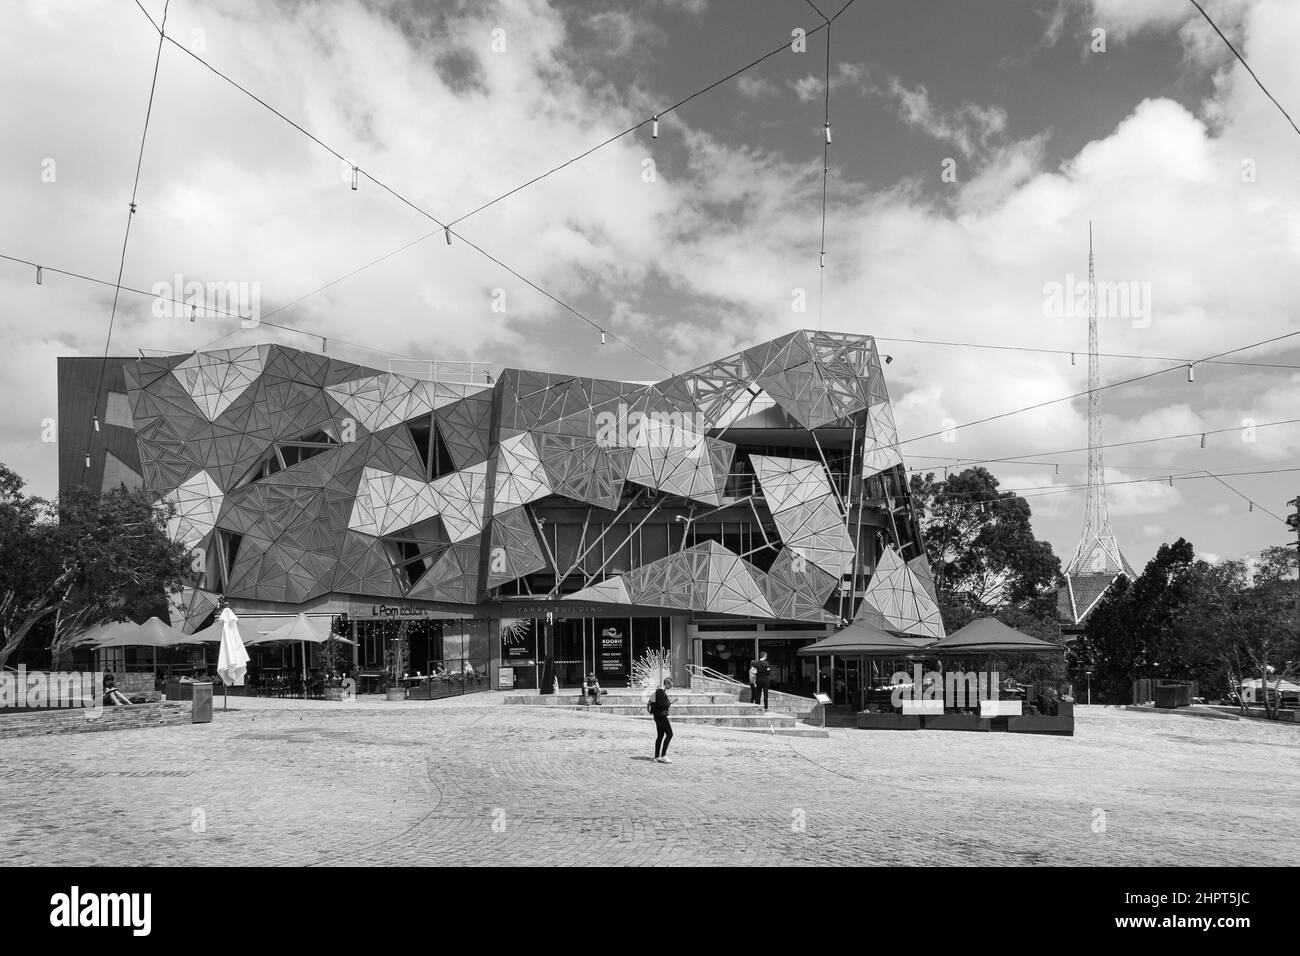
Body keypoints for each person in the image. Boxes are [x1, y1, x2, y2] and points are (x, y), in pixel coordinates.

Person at [650, 678, 674, 763]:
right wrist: (669, 703)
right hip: (661, 717)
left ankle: (657, 757)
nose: (671, 686)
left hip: (657, 716)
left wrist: (667, 703)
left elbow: (660, 703)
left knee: (660, 736)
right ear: (666, 684)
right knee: (670, 734)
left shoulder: (660, 691)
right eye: (670, 685)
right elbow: (661, 705)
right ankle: (663, 756)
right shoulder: (660, 691)